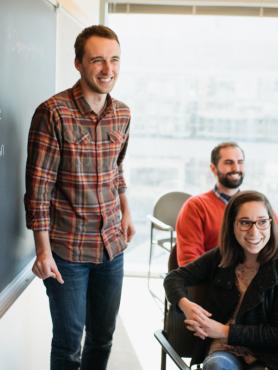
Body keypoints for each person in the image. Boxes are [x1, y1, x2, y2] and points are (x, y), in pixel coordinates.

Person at [24, 25, 135, 370]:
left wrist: (126, 213)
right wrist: (42, 251)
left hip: (111, 246)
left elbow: (116, 169)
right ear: (78, 63)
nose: (108, 69)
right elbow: (38, 189)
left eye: (114, 60)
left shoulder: (123, 113)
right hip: (67, 251)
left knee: (103, 337)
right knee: (70, 344)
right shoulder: (53, 113)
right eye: (98, 60)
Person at [164, 190, 278, 370]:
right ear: (232, 225)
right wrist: (186, 305)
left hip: (266, 355)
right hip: (223, 352)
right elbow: (174, 278)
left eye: (262, 222)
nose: (254, 231)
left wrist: (222, 330)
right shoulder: (221, 256)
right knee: (217, 366)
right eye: (245, 223)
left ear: (271, 224)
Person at [176, 142, 245, 266]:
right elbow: (189, 262)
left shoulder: (257, 205)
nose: (236, 168)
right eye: (229, 162)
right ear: (213, 168)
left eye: (240, 162)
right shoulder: (196, 206)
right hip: (213, 281)